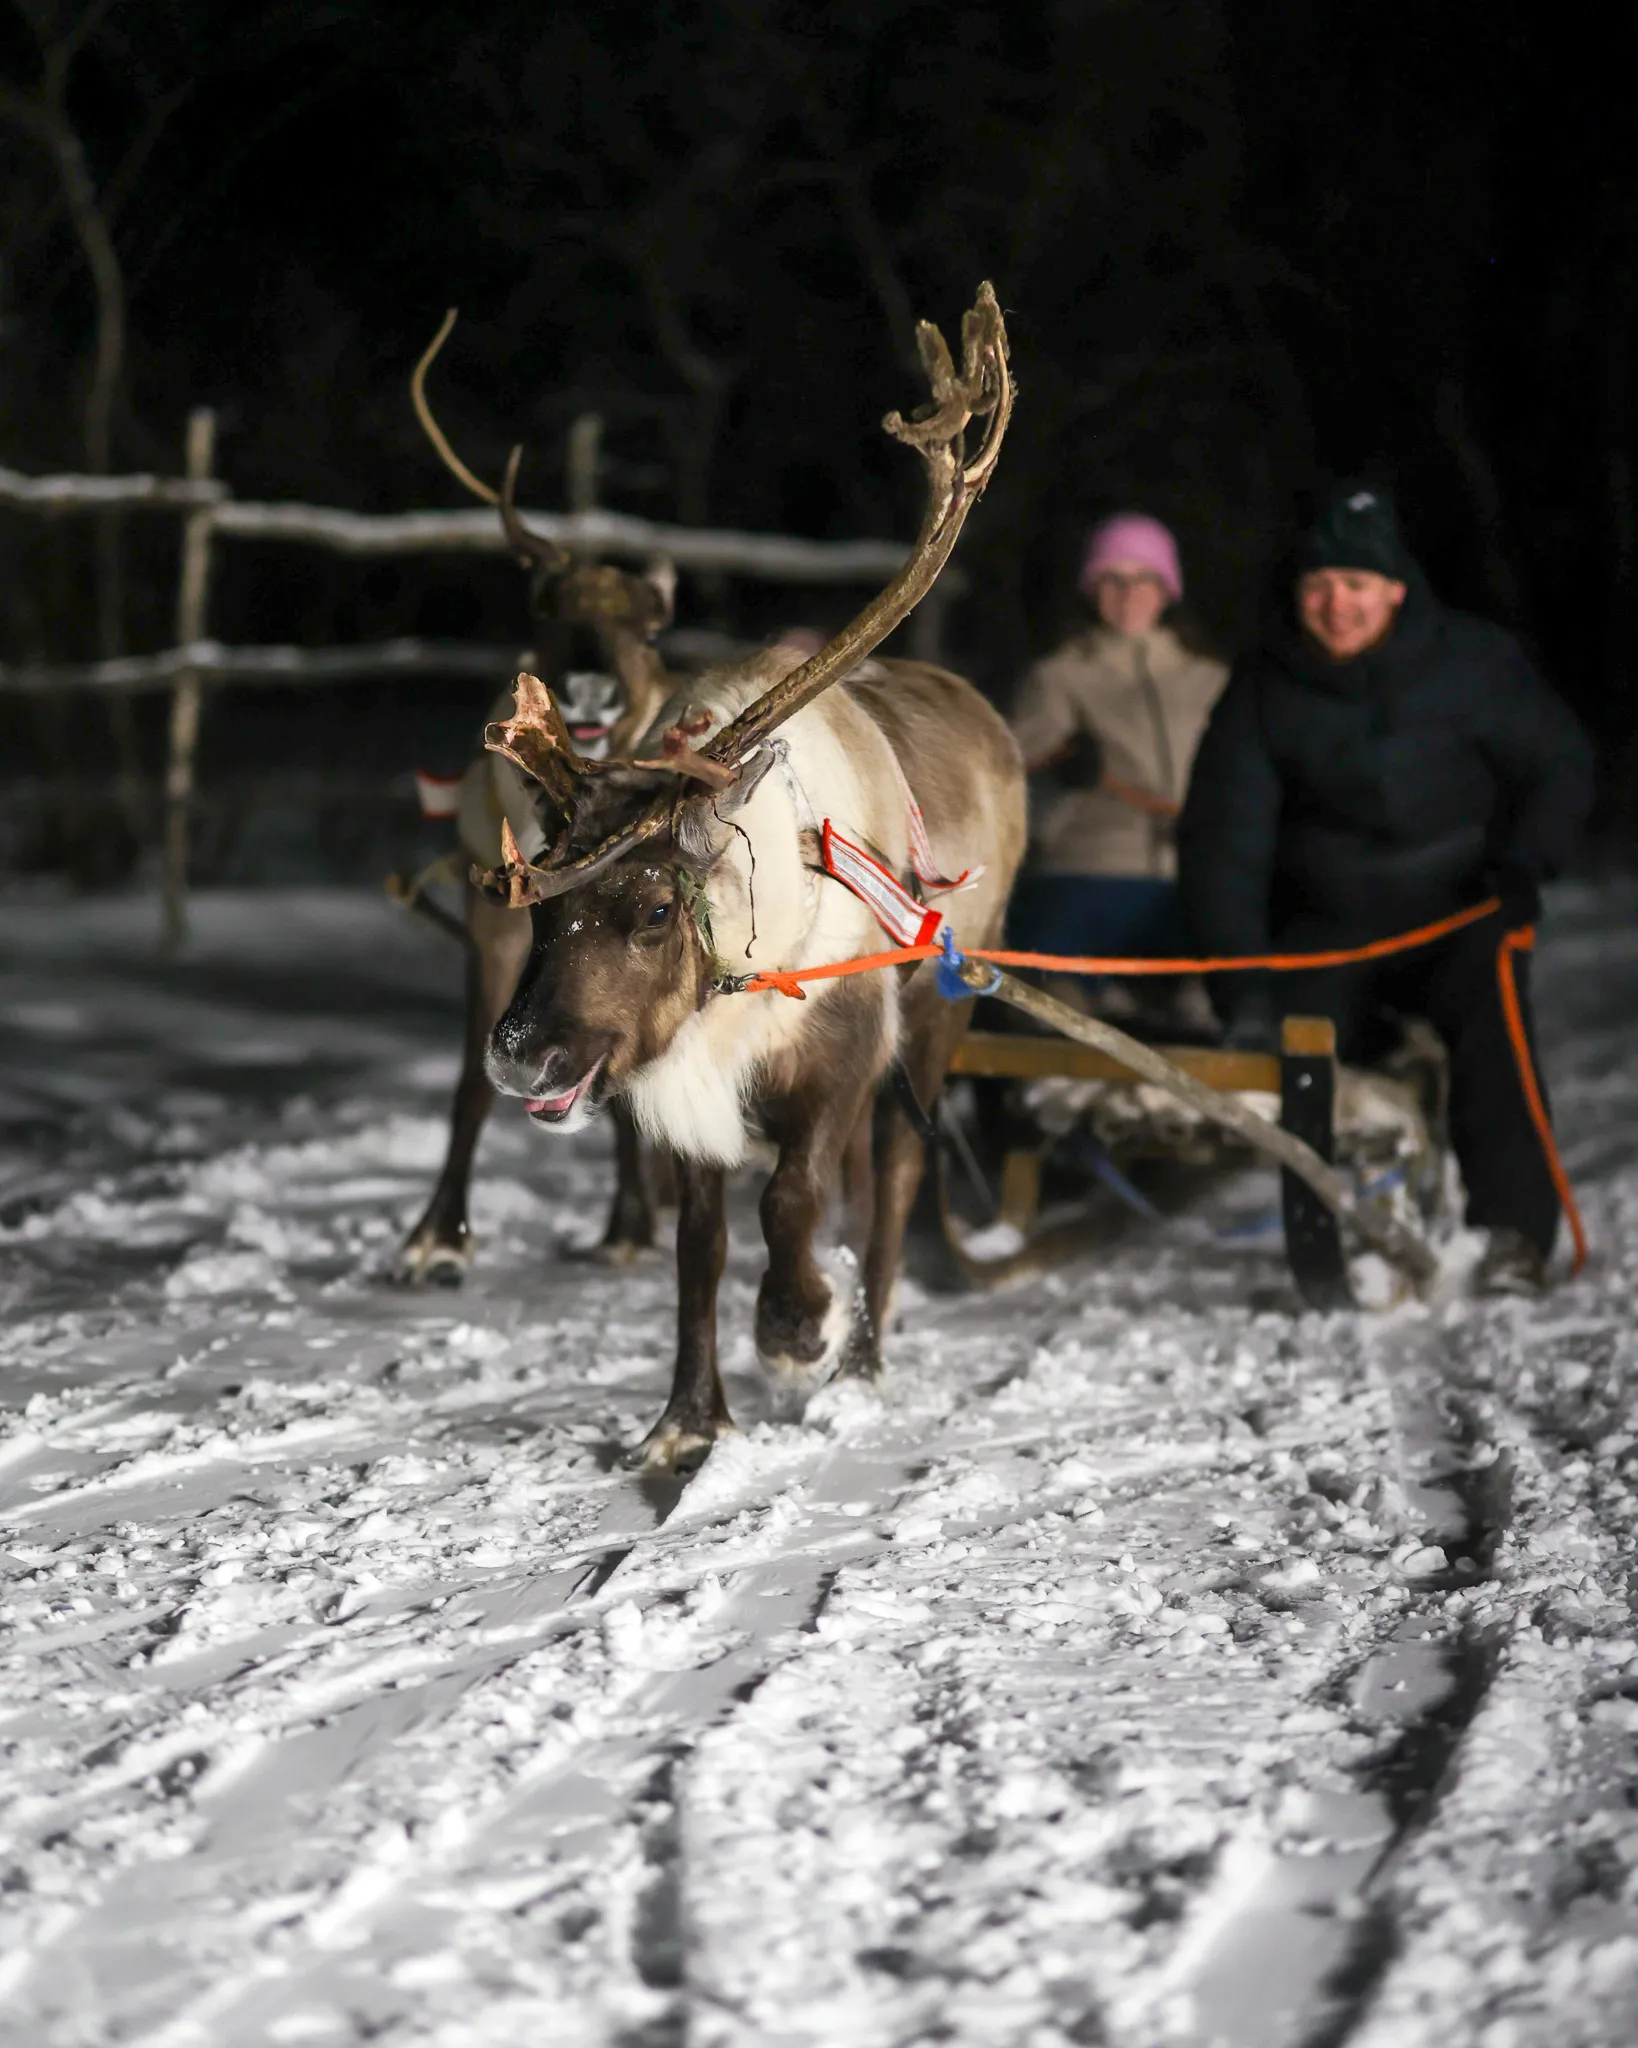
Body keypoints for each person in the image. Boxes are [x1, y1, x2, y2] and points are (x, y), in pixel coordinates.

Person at [1178, 482, 1595, 1294]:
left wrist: (1525, 864)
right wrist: (1241, 983)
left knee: (1494, 1035)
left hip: (1459, 906)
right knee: (1306, 1053)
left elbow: (1559, 764)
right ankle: (1343, 1223)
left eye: (1356, 584)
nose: (1336, 605)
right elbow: (1223, 841)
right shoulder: (1264, 687)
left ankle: (1513, 1232)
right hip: (1326, 922)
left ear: (1396, 589)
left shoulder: (1472, 661)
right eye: (1319, 585)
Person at [1007, 514, 1228, 1005]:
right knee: (1057, 1002)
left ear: (1167, 589)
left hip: (1189, 878)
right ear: (1092, 589)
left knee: (1208, 999)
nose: (1129, 594)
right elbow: (1008, 771)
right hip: (1086, 869)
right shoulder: (1060, 676)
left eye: (1144, 579)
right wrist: (1059, 771)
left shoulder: (1209, 681)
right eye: (1112, 579)